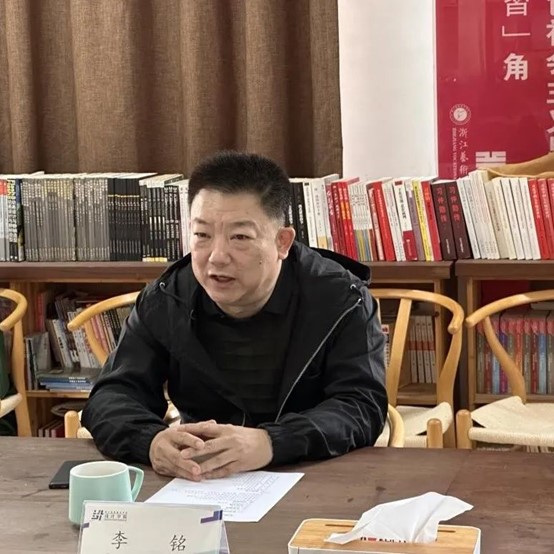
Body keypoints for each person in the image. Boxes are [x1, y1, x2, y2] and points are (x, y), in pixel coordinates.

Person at [82, 151, 387, 481]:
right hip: (202, 479)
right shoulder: (167, 298)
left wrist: (271, 442)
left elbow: (361, 406)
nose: (217, 257)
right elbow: (111, 396)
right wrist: (150, 441)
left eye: (239, 237)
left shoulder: (340, 299)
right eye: (202, 235)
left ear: (282, 242)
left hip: (311, 473)